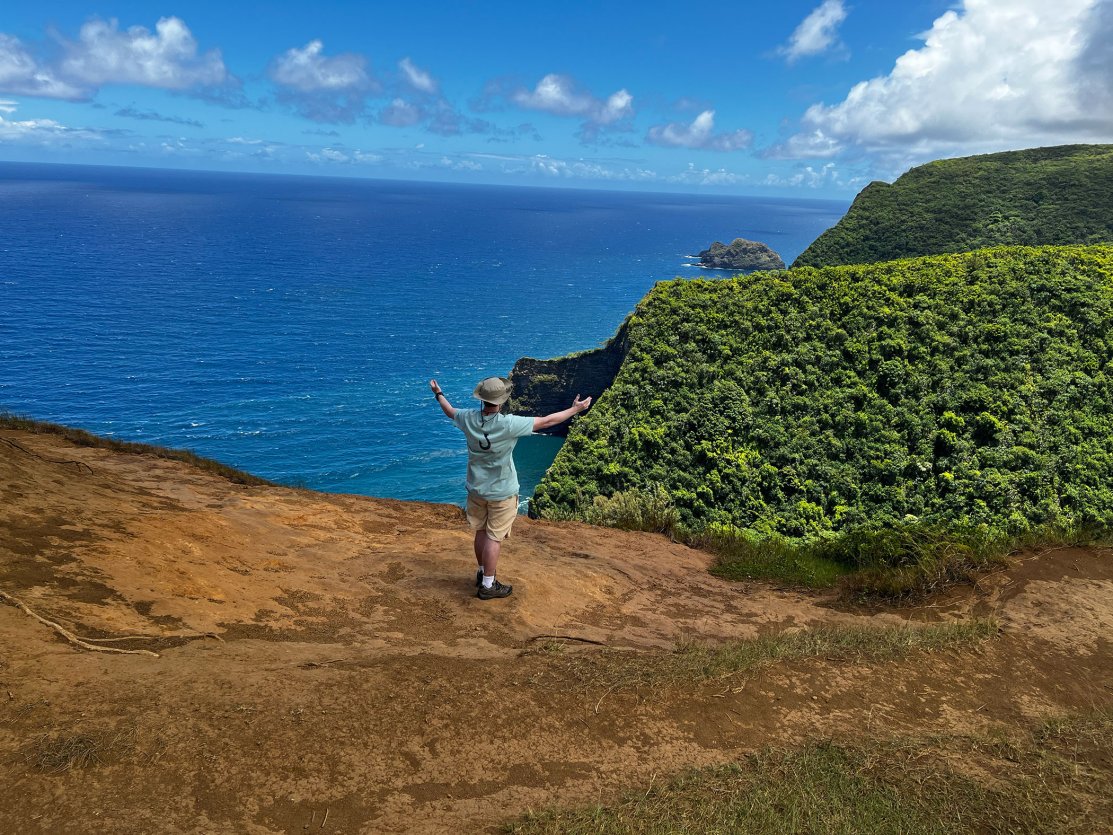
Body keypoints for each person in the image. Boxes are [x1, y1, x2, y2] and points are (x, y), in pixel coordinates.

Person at [430, 376, 591, 599]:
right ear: (501, 401)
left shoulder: (468, 419)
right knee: (494, 538)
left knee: (480, 531)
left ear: (482, 399)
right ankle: (488, 585)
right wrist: (575, 410)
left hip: (476, 489)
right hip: (502, 492)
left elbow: (450, 411)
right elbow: (547, 421)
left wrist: (438, 393)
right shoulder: (508, 424)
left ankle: (481, 571)